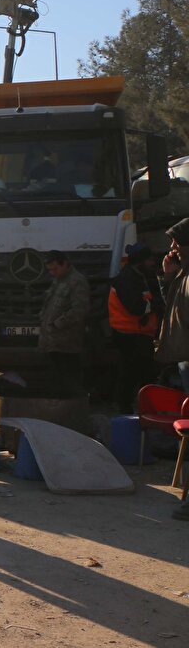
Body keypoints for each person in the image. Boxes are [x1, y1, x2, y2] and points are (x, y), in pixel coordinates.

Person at [157, 219, 189, 521]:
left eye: (177, 244)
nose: (172, 249)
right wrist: (168, 277)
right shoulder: (183, 274)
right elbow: (172, 309)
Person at [110, 243, 164, 413]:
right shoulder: (127, 281)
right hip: (130, 336)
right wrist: (156, 304)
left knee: (139, 375)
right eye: (149, 260)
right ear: (140, 261)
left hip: (138, 335)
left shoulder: (137, 277)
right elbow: (137, 308)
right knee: (132, 375)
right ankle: (128, 411)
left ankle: (139, 410)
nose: (152, 263)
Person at [38, 250, 91, 396]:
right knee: (58, 382)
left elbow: (80, 310)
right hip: (55, 343)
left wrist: (57, 324)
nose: (53, 273)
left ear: (65, 264)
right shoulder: (59, 281)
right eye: (50, 270)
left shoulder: (77, 281)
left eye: (55, 269)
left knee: (69, 382)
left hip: (67, 343)